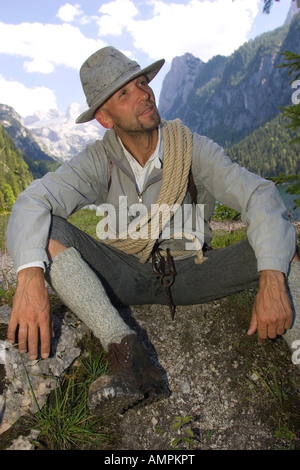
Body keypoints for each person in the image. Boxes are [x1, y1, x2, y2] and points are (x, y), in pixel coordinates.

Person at [5, 46, 300, 417]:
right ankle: (126, 353)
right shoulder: (99, 159)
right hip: (125, 272)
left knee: (282, 248)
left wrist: (272, 278)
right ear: (105, 118)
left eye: (142, 82)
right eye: (124, 93)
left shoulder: (191, 148)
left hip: (193, 269)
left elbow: (259, 195)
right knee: (47, 230)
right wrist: (29, 275)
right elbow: (33, 202)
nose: (143, 93)